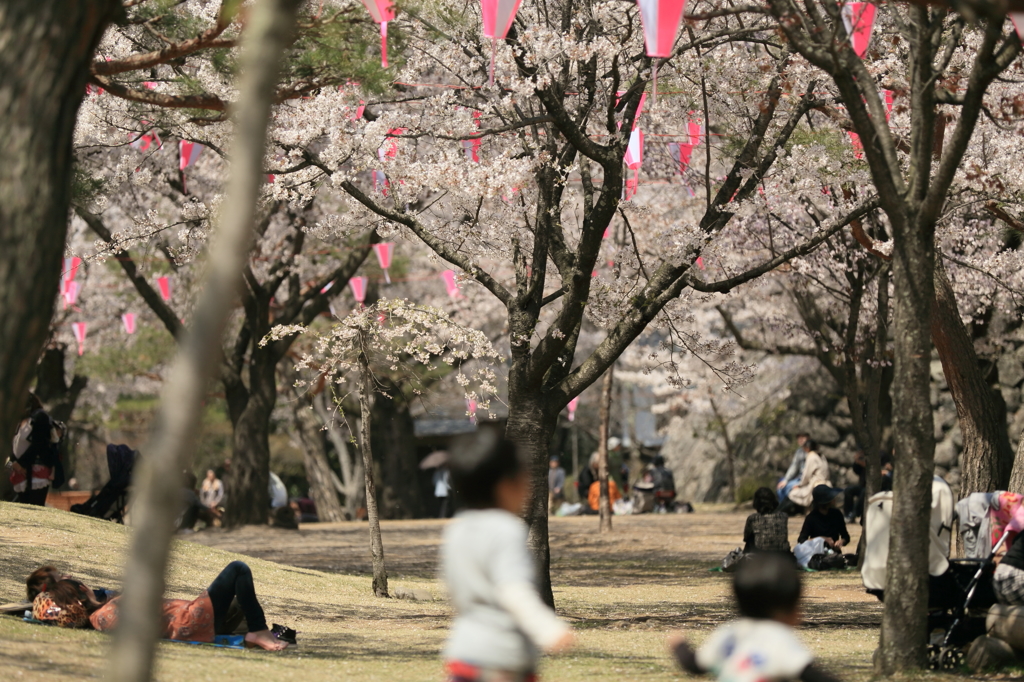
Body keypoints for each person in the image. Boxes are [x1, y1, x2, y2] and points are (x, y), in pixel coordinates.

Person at [442, 427, 574, 681]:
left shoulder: (457, 530)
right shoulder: (506, 531)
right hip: (501, 662)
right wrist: (548, 629)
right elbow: (513, 591)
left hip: (463, 655)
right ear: (505, 485)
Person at [31, 561, 290, 650]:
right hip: (191, 619)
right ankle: (259, 631)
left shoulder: (101, 616)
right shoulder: (108, 611)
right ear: (83, 591)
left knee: (238, 603)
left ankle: (266, 633)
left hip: (189, 618)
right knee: (237, 570)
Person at [669, 553, 842, 682]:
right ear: (786, 610)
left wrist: (679, 645)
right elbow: (811, 674)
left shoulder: (728, 633)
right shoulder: (779, 638)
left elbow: (695, 665)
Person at [7, 393, 65, 506]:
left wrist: (22, 463)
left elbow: (38, 444)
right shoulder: (18, 421)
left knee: (34, 508)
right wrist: (13, 463)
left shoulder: (40, 417)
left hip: (36, 471)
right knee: (23, 509)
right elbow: (11, 446)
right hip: (19, 471)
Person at [797, 485, 850, 551]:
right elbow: (801, 540)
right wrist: (821, 539)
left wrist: (841, 541)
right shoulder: (811, 518)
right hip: (816, 554)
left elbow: (846, 536)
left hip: (833, 553)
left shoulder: (837, 514)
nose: (834, 499)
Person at [784, 439, 830, 512]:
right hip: (827, 483)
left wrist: (800, 485)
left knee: (791, 493)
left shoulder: (811, 456)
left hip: (815, 484)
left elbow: (806, 475)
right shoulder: (821, 456)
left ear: (807, 448)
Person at [743, 487, 790, 554]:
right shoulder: (784, 516)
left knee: (750, 539)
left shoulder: (753, 518)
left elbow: (746, 538)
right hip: (782, 556)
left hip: (760, 557)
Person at [776, 433, 809, 502]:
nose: (800, 440)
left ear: (808, 438)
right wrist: (786, 480)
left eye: (803, 437)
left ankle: (783, 509)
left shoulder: (811, 452)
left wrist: (800, 484)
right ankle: (781, 508)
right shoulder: (799, 452)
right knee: (781, 485)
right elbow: (793, 467)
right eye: (799, 438)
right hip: (799, 477)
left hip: (806, 479)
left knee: (787, 488)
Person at [843, 449, 866, 524]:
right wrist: (856, 461)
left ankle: (855, 513)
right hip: (862, 485)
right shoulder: (865, 456)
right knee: (848, 490)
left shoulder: (880, 456)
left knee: (864, 493)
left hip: (871, 487)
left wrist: (865, 465)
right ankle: (848, 514)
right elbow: (856, 470)